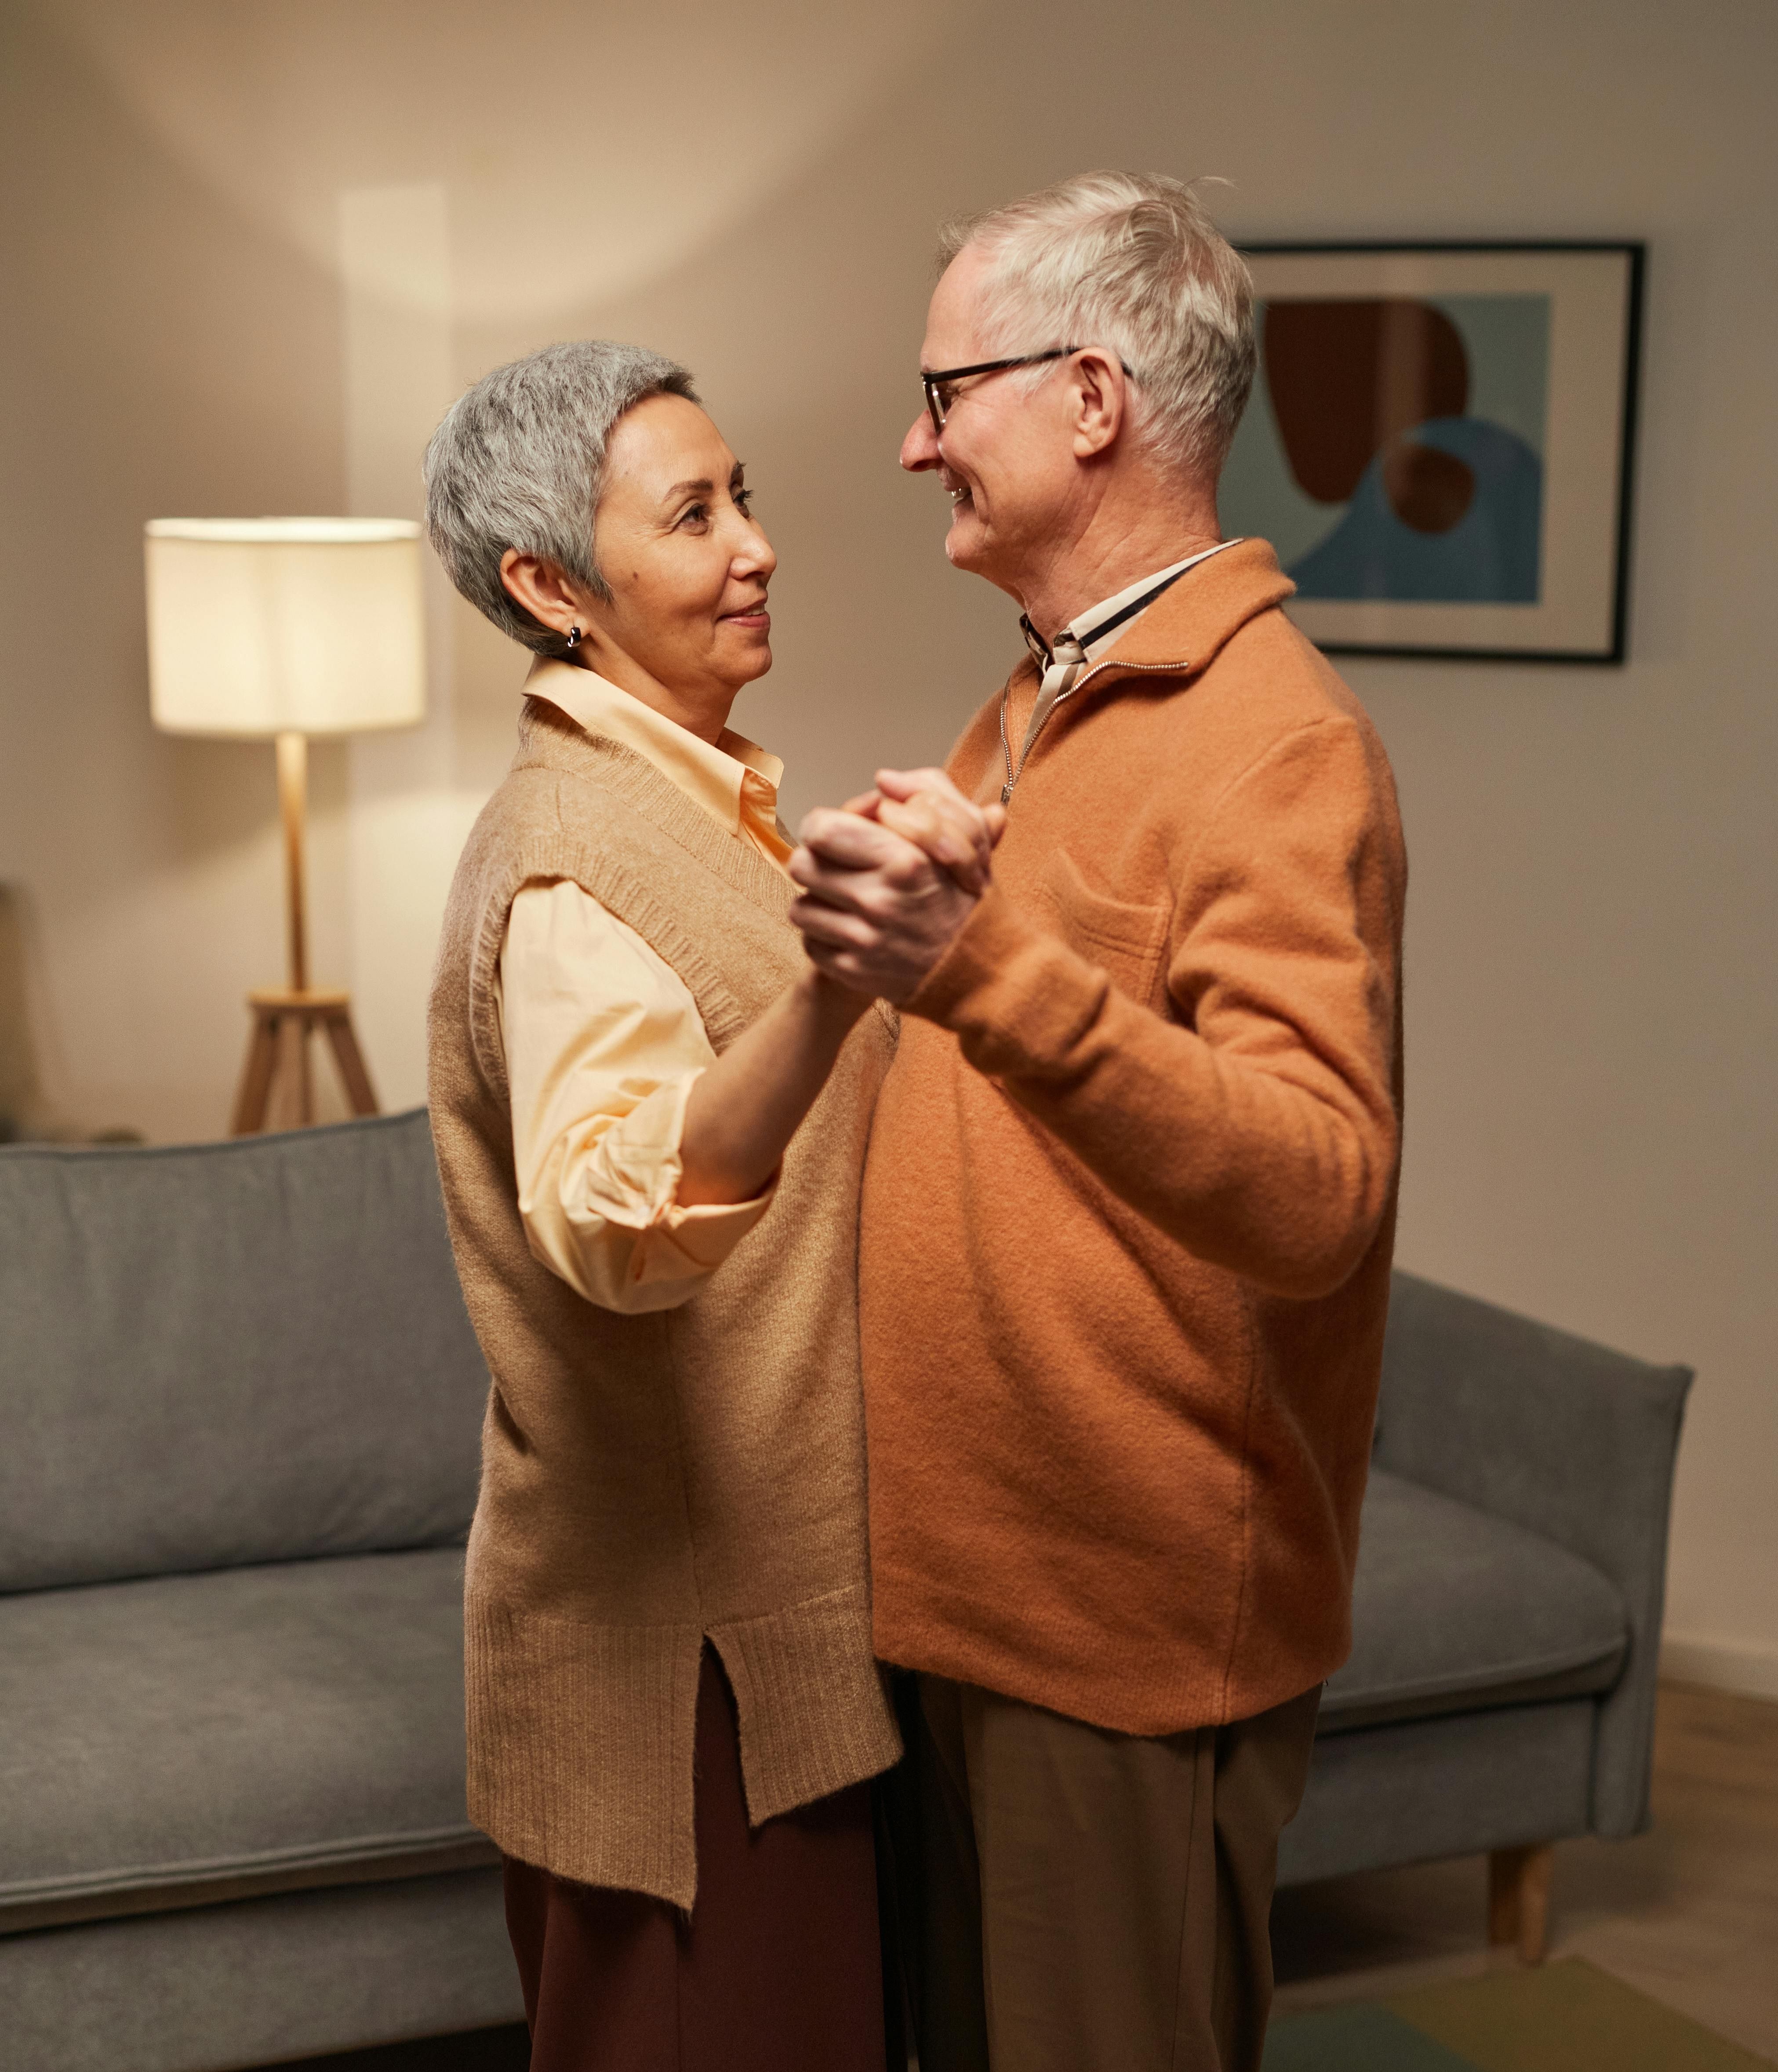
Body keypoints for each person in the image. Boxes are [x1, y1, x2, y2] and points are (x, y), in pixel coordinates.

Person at [789, 172, 1408, 2071]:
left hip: (1119, 1634)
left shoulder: (1276, 745)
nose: (913, 445)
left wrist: (986, 971)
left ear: (1086, 399)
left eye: (943, 391)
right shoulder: (1035, 707)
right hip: (957, 1594)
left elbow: (1318, 1190)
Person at [420, 340, 995, 2072]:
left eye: (745, 495)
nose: (752, 544)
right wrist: (834, 990)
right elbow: (614, 1220)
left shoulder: (708, 802)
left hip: (782, 1646)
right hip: (682, 1688)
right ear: (549, 586)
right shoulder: (567, 860)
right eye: (691, 514)